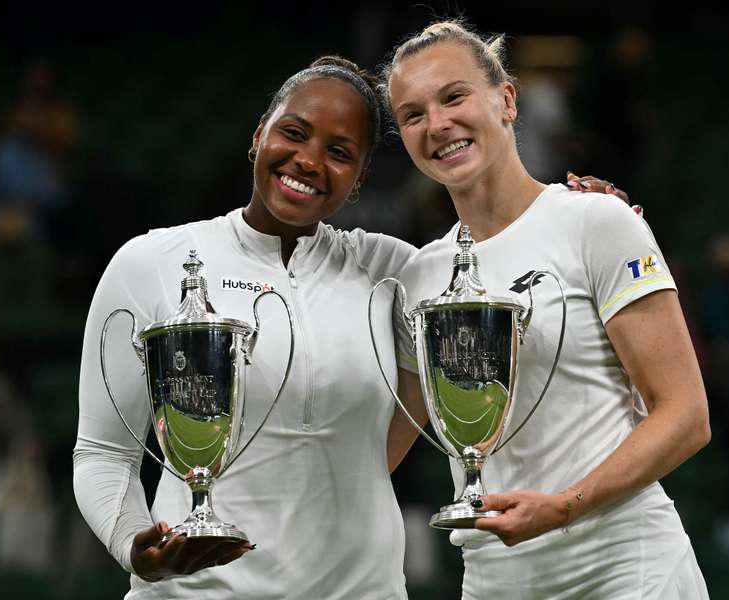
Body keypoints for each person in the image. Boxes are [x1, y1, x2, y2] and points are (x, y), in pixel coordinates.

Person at [74, 54, 623, 598]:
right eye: (294, 132)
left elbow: (511, 274)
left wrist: (574, 214)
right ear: (260, 133)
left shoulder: (395, 272)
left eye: (339, 153)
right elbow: (103, 454)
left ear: (358, 179)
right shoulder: (152, 263)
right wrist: (132, 546)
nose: (309, 161)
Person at [382, 21, 711, 599]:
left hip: (628, 571)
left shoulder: (598, 221)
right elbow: (383, 448)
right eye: (412, 115)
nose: (437, 124)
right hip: (494, 580)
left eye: (454, 96)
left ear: (506, 99)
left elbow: (686, 416)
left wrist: (563, 508)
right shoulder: (419, 278)